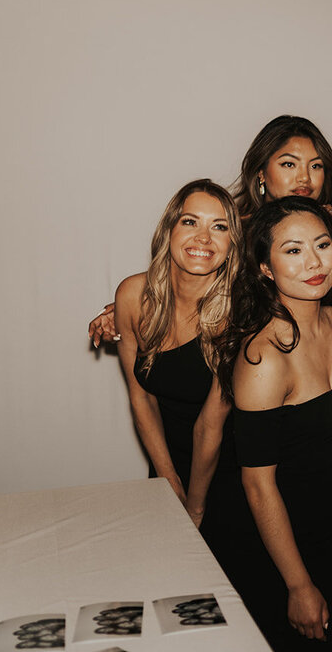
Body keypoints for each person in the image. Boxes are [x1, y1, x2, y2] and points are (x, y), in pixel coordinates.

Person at [216, 197, 332, 650]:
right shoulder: (264, 357)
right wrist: (298, 585)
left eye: (323, 245)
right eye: (292, 250)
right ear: (265, 268)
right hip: (283, 549)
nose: (314, 262)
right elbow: (257, 485)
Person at [111, 179, 256, 605]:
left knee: (225, 602)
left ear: (233, 244)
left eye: (220, 227)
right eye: (190, 221)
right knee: (166, 595)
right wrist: (167, 482)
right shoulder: (132, 295)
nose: (203, 238)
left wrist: (193, 508)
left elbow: (211, 423)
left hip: (228, 474)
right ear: (169, 230)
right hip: (167, 462)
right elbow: (141, 397)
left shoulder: (238, 312)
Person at [89, 115, 332, 347]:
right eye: (289, 164)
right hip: (237, 360)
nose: (304, 178)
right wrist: (130, 311)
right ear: (261, 173)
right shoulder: (231, 227)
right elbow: (184, 275)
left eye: (316, 166)